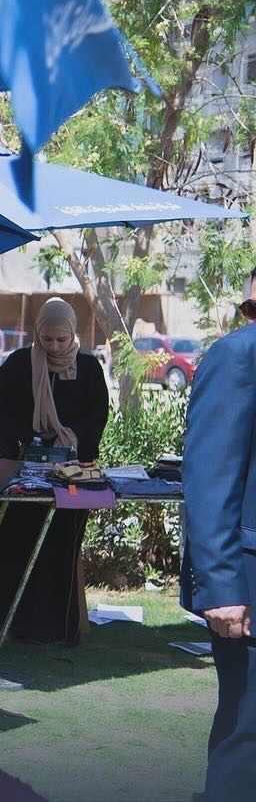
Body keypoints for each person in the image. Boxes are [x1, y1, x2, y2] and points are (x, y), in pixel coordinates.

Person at [0, 297, 109, 646]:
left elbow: (97, 415)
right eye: (47, 339)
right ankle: (1, 622)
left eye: (61, 339)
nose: (54, 346)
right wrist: (28, 439)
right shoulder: (19, 364)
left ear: (73, 334)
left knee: (59, 549)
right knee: (13, 545)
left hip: (70, 475)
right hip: (23, 471)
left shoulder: (88, 368)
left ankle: (51, 629)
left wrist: (69, 436)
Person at [181, 266, 256, 802]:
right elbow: (210, 480)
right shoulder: (238, 356)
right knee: (247, 736)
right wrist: (223, 588)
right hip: (248, 586)